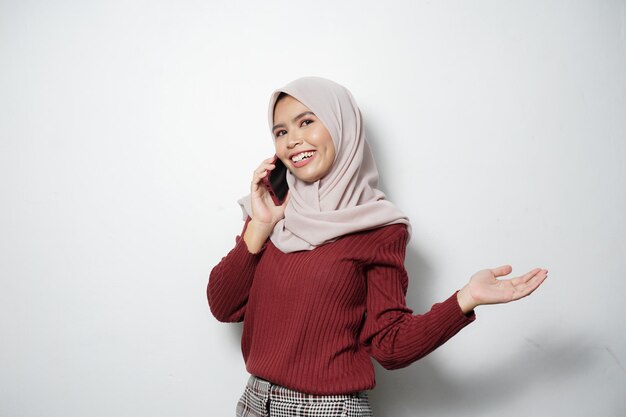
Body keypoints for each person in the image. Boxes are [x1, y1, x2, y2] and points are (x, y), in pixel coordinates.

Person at [207, 77, 547, 417]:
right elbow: (223, 306)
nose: (292, 141)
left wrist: (465, 299)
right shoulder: (274, 204)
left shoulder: (380, 229)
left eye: (306, 122)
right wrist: (261, 226)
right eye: (280, 132)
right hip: (254, 401)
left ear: (342, 127)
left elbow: (390, 346)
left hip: (326, 411)